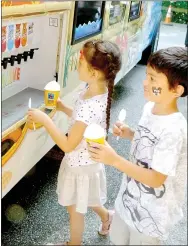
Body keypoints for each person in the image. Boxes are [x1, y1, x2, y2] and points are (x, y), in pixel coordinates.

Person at [88, 47, 187, 245]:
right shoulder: (150, 107)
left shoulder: (174, 129)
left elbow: (156, 179)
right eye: (146, 76)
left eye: (153, 79)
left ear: (176, 90)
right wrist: (131, 133)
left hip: (151, 215)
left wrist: (115, 160)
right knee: (118, 240)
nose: (145, 83)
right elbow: (149, 142)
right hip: (128, 202)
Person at [28, 40, 122, 245]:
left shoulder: (91, 102)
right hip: (87, 162)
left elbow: (68, 145)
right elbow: (83, 122)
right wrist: (63, 108)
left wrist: (45, 120)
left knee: (75, 209)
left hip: (80, 165)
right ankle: (108, 217)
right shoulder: (96, 90)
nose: (76, 66)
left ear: (94, 72)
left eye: (80, 64)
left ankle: (74, 243)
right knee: (85, 198)